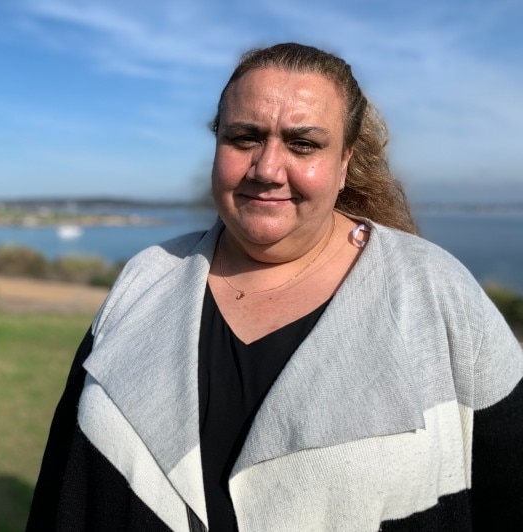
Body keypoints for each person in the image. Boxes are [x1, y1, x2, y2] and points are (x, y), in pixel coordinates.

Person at [26, 43, 523, 531]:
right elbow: (64, 485)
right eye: (244, 138)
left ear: (346, 160)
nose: (266, 169)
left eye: (303, 143)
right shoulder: (145, 280)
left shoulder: (435, 294)